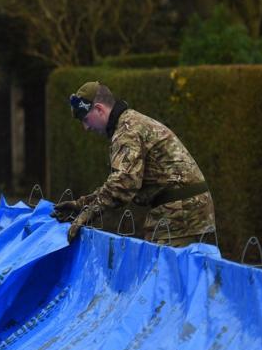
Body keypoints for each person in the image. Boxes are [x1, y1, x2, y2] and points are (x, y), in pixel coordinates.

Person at [51, 81, 216, 246]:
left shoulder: (128, 131)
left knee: (163, 269)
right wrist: (81, 205)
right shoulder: (130, 123)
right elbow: (120, 181)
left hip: (182, 214)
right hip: (185, 211)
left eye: (86, 119)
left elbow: (123, 183)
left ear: (99, 109)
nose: (86, 127)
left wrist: (88, 214)